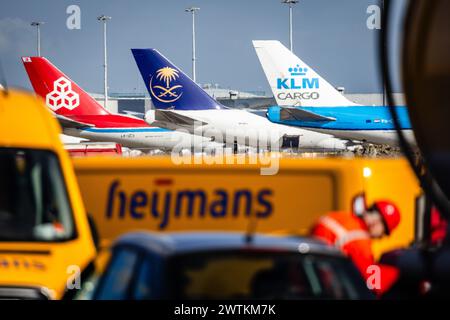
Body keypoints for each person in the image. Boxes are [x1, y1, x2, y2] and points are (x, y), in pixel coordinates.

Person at [310, 200, 401, 295]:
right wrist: (398, 275)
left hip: (310, 278)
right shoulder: (359, 239)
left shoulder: (341, 217)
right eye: (384, 232)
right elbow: (373, 282)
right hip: (325, 287)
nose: (380, 237)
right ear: (376, 224)